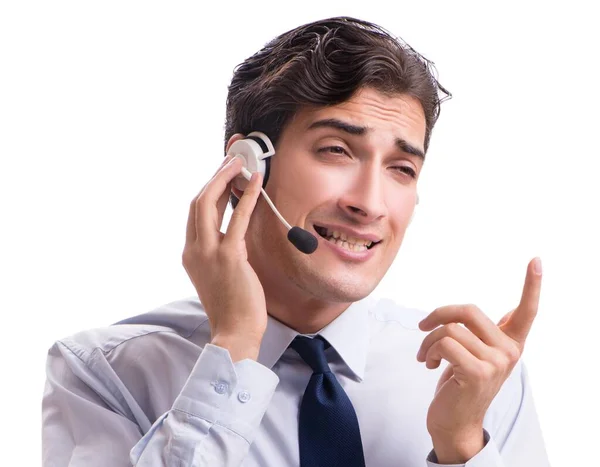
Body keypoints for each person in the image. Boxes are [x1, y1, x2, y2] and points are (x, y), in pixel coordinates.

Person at [42, 16, 550, 466]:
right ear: (245, 170)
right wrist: (237, 346)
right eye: (336, 150)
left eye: (401, 168)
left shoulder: (476, 377)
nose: (370, 204)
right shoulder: (102, 375)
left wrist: (462, 447)